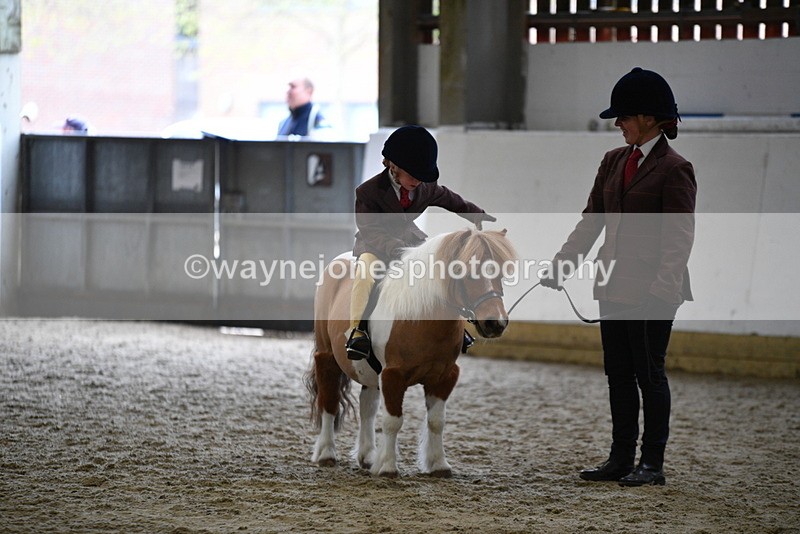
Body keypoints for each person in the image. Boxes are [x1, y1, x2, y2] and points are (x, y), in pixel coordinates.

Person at [541, 67, 696, 487]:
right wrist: (563, 262)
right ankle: (620, 458)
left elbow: (679, 236)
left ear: (648, 118)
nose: (617, 124)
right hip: (612, 284)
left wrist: (662, 288)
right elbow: (592, 220)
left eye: (624, 116)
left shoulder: (674, 169)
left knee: (650, 375)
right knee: (618, 375)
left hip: (653, 291)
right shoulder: (613, 161)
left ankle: (653, 463)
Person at [346, 125, 496, 360]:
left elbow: (450, 199)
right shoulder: (368, 192)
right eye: (413, 176)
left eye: (421, 178)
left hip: (410, 240)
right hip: (373, 244)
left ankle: (457, 327)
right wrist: (396, 249)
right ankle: (357, 330)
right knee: (365, 275)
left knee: (441, 273)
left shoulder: (424, 187)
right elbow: (370, 230)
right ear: (393, 166)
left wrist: (474, 213)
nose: (417, 182)